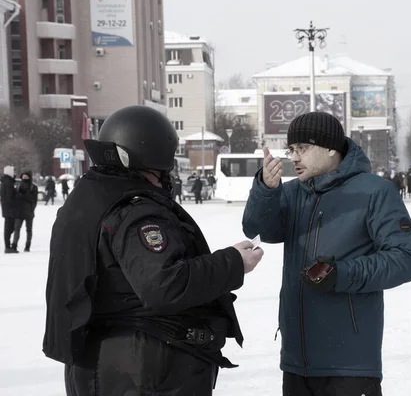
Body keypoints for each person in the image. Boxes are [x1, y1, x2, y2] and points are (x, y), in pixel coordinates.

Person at [42, 105, 264, 395]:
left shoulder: (89, 199)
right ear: (152, 159)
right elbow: (165, 285)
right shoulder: (135, 212)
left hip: (103, 361)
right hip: (140, 366)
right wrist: (234, 262)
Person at [242, 111, 411, 396]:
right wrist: (266, 189)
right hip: (297, 360)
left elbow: (406, 258)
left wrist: (342, 274)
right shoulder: (292, 192)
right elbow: (258, 228)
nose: (294, 158)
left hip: (349, 364)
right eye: (291, 150)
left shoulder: (375, 192)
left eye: (303, 148)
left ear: (330, 148)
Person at [12, 171, 38, 252]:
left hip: (28, 212)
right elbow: (15, 198)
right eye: (23, 177)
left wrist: (31, 208)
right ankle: (14, 245)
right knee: (17, 229)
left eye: (26, 177)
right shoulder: (18, 186)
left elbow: (33, 199)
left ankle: (27, 246)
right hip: (19, 212)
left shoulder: (33, 187)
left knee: (29, 230)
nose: (24, 178)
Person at [1, 166, 17, 253]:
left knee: (9, 227)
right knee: (9, 228)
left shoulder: (6, 182)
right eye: (14, 172)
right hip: (10, 210)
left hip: (7, 209)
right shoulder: (8, 183)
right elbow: (9, 197)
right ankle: (7, 246)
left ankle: (8, 245)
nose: (15, 173)